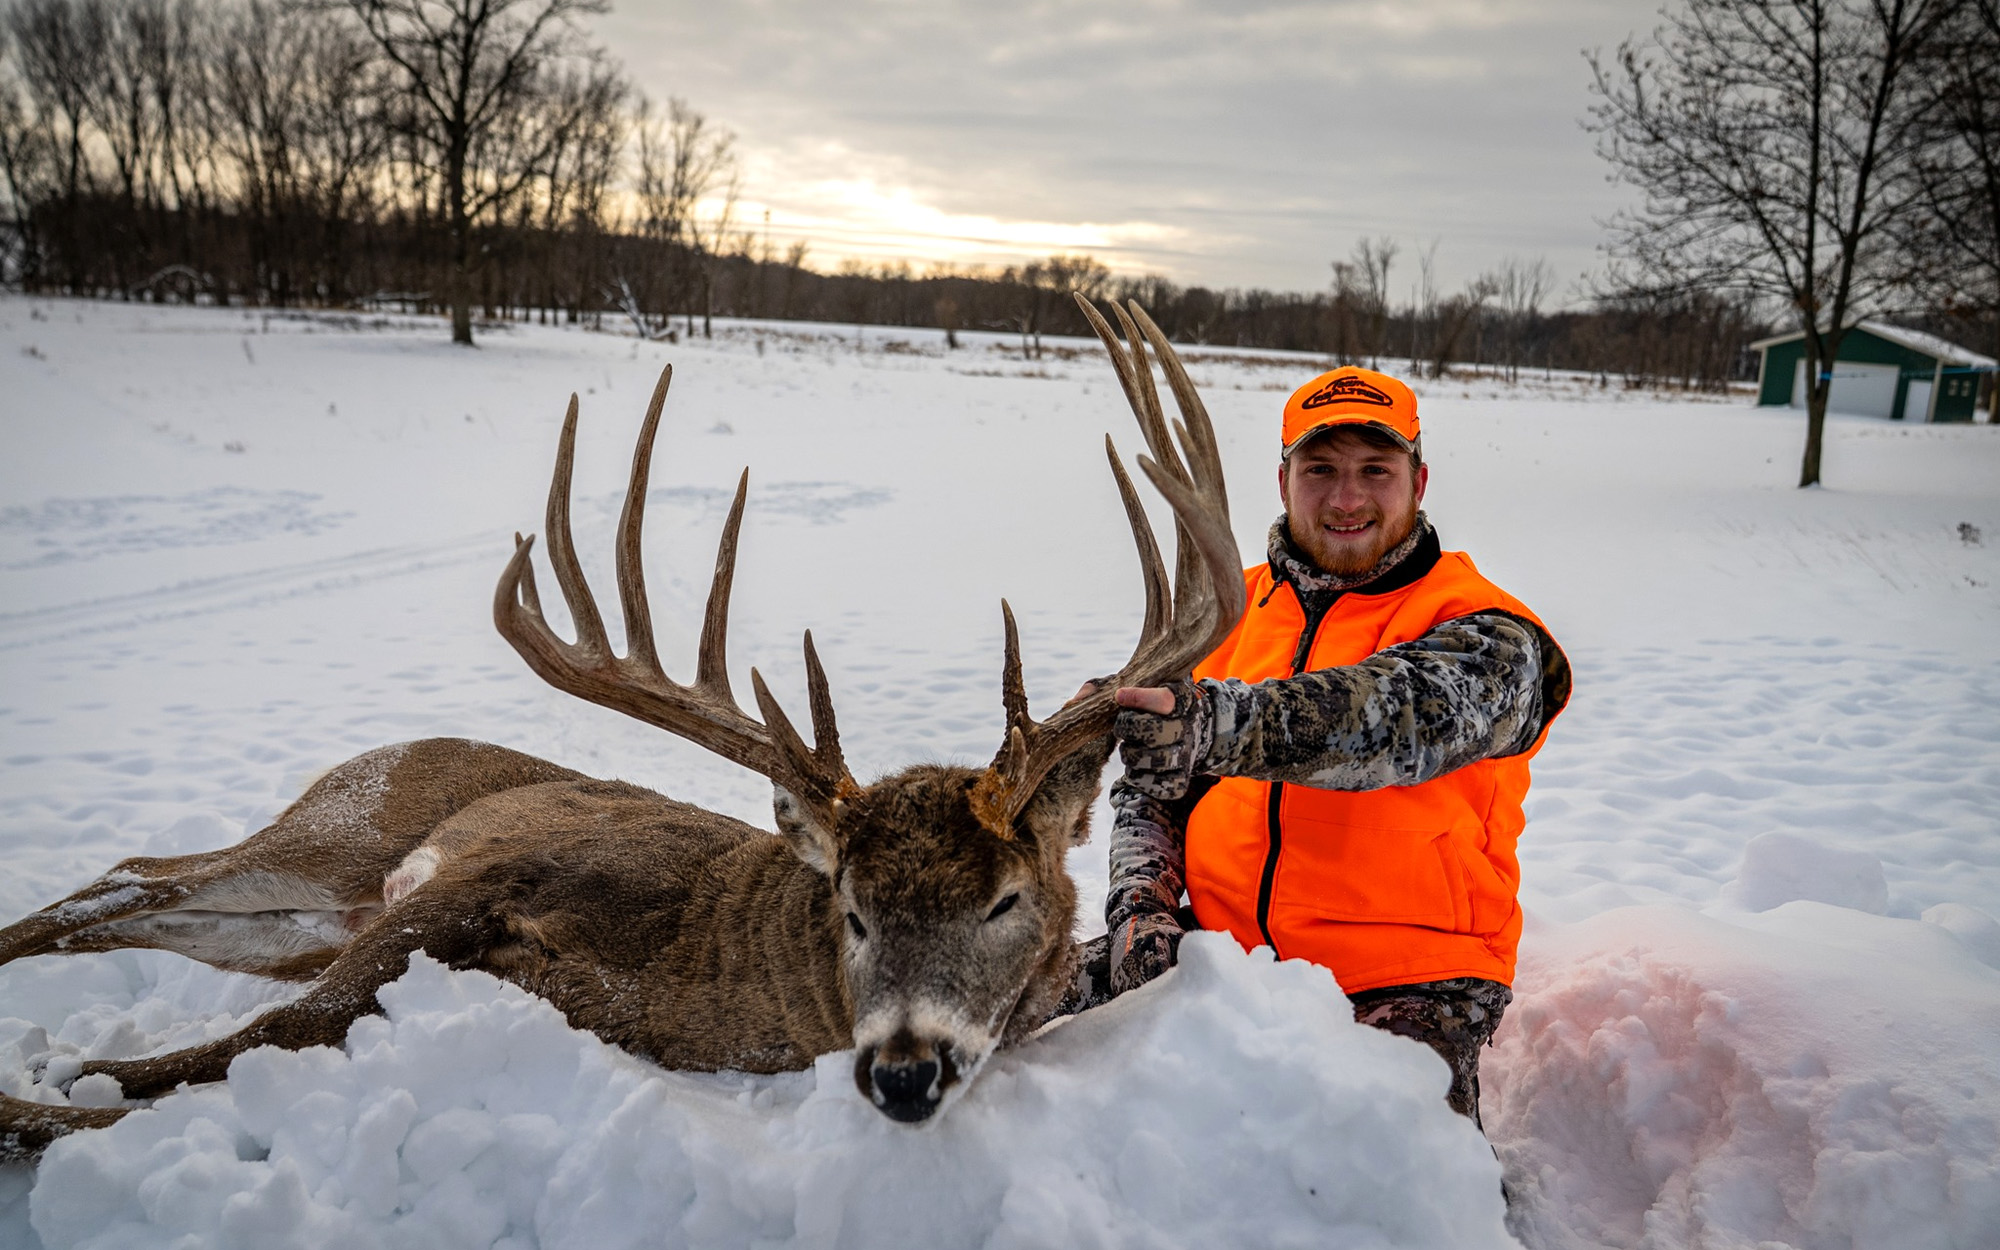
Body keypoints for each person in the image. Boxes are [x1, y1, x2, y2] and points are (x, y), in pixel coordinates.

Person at [1074, 365, 1571, 1130]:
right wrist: (1142, 907)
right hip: (1220, 957)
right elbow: (1154, 786)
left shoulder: (1487, 629)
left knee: (1387, 1176)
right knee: (996, 1014)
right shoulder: (1221, 614)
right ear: (1283, 480)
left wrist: (1215, 724)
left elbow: (1393, 720)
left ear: (1418, 479)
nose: (1347, 498)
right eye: (1321, 470)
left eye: (1376, 470)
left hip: (1409, 979)